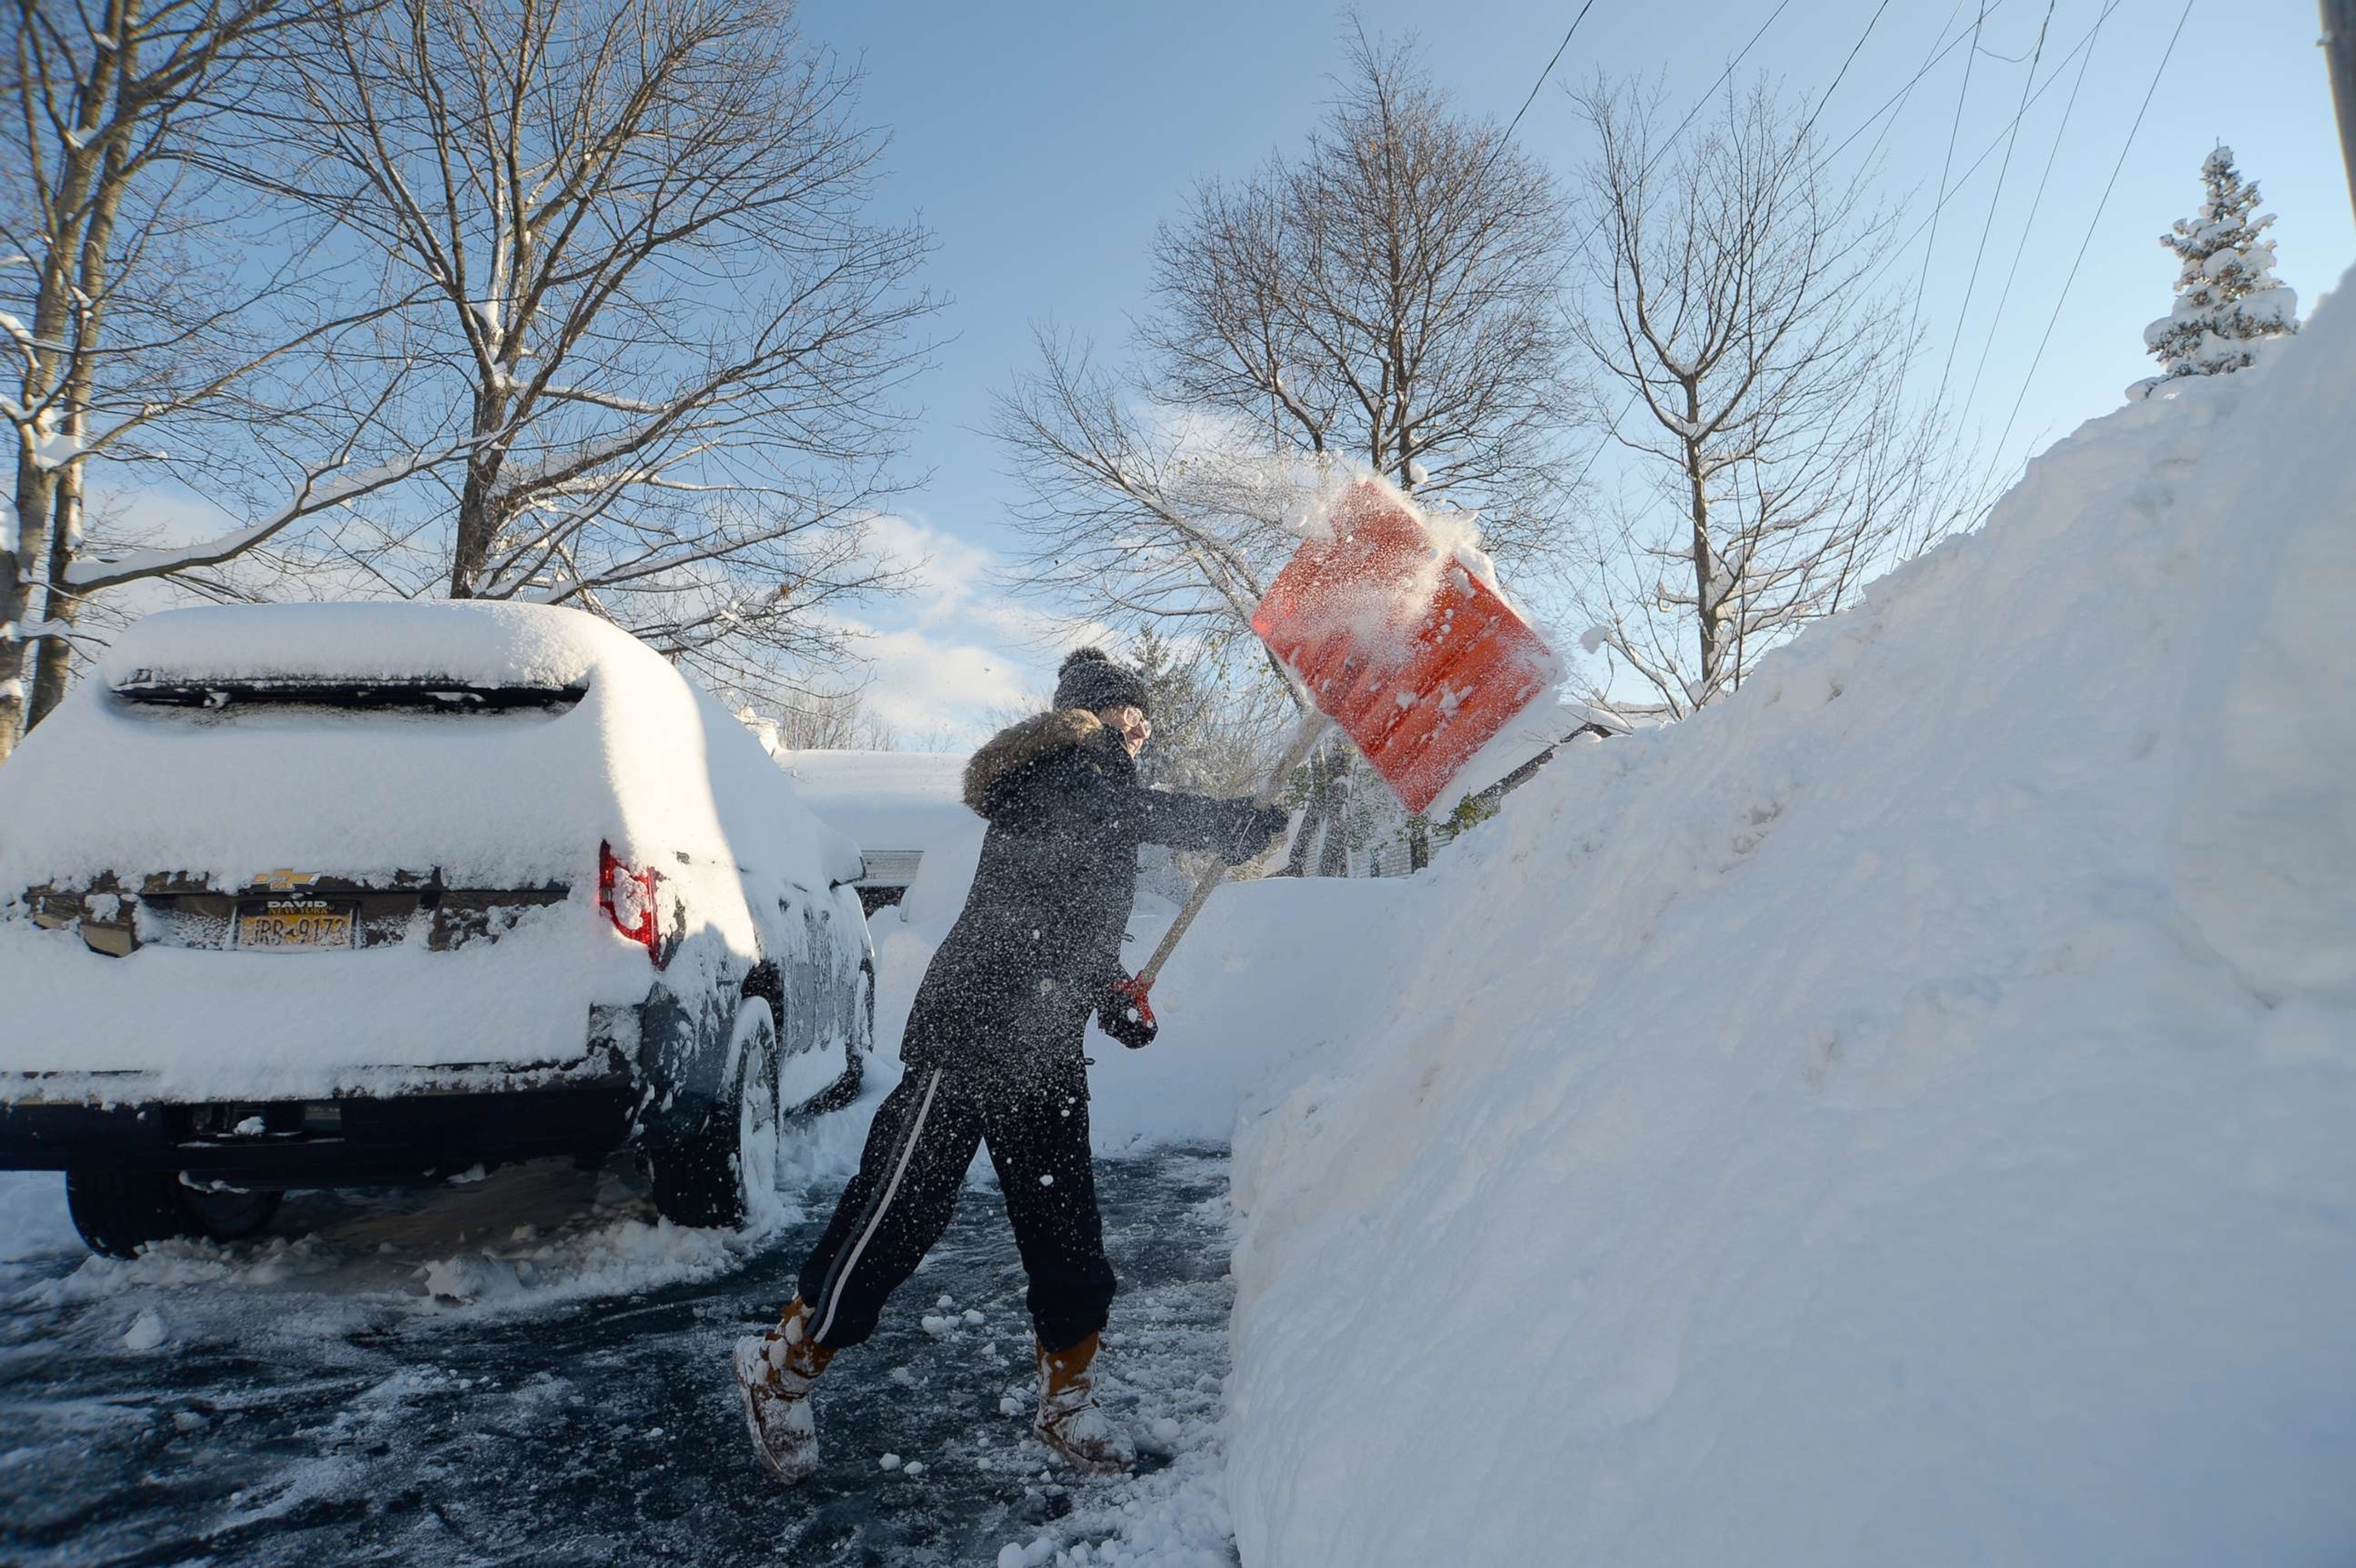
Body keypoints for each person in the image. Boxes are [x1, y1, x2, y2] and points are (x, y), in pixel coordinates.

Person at [734, 646, 1291, 1483]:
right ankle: (780, 1370)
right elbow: (1100, 812)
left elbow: (1067, 918)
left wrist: (1108, 991)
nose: (1141, 734)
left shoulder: (1102, 796)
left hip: (1044, 1043)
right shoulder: (1052, 774)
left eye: (1141, 723)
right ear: (1097, 714)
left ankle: (1067, 1397)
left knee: (1066, 1229)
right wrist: (1224, 821)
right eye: (1131, 718)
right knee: (898, 1212)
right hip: (969, 1035)